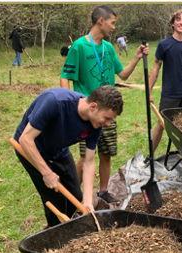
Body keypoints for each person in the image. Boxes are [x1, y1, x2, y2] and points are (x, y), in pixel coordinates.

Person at [60, 5, 148, 203]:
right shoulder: (79, 46)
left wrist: (136, 57)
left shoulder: (108, 48)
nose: (114, 27)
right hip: (89, 113)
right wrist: (70, 104)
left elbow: (123, 74)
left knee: (106, 153)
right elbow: (65, 76)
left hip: (107, 112)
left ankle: (103, 192)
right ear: (101, 21)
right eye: (112, 22)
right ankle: (71, 192)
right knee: (85, 158)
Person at [14, 86, 123, 228]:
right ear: (93, 107)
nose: (108, 124)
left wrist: (88, 200)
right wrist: (46, 172)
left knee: (76, 197)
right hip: (31, 149)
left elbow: (89, 162)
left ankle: (63, 226)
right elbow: (25, 139)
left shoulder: (96, 125)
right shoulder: (55, 102)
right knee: (56, 199)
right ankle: (54, 233)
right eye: (107, 118)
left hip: (58, 149)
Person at [142, 9, 182, 166]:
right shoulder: (164, 45)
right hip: (169, 94)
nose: (181, 22)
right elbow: (155, 68)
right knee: (162, 125)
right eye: (178, 19)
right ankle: (150, 155)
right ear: (173, 23)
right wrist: (149, 91)